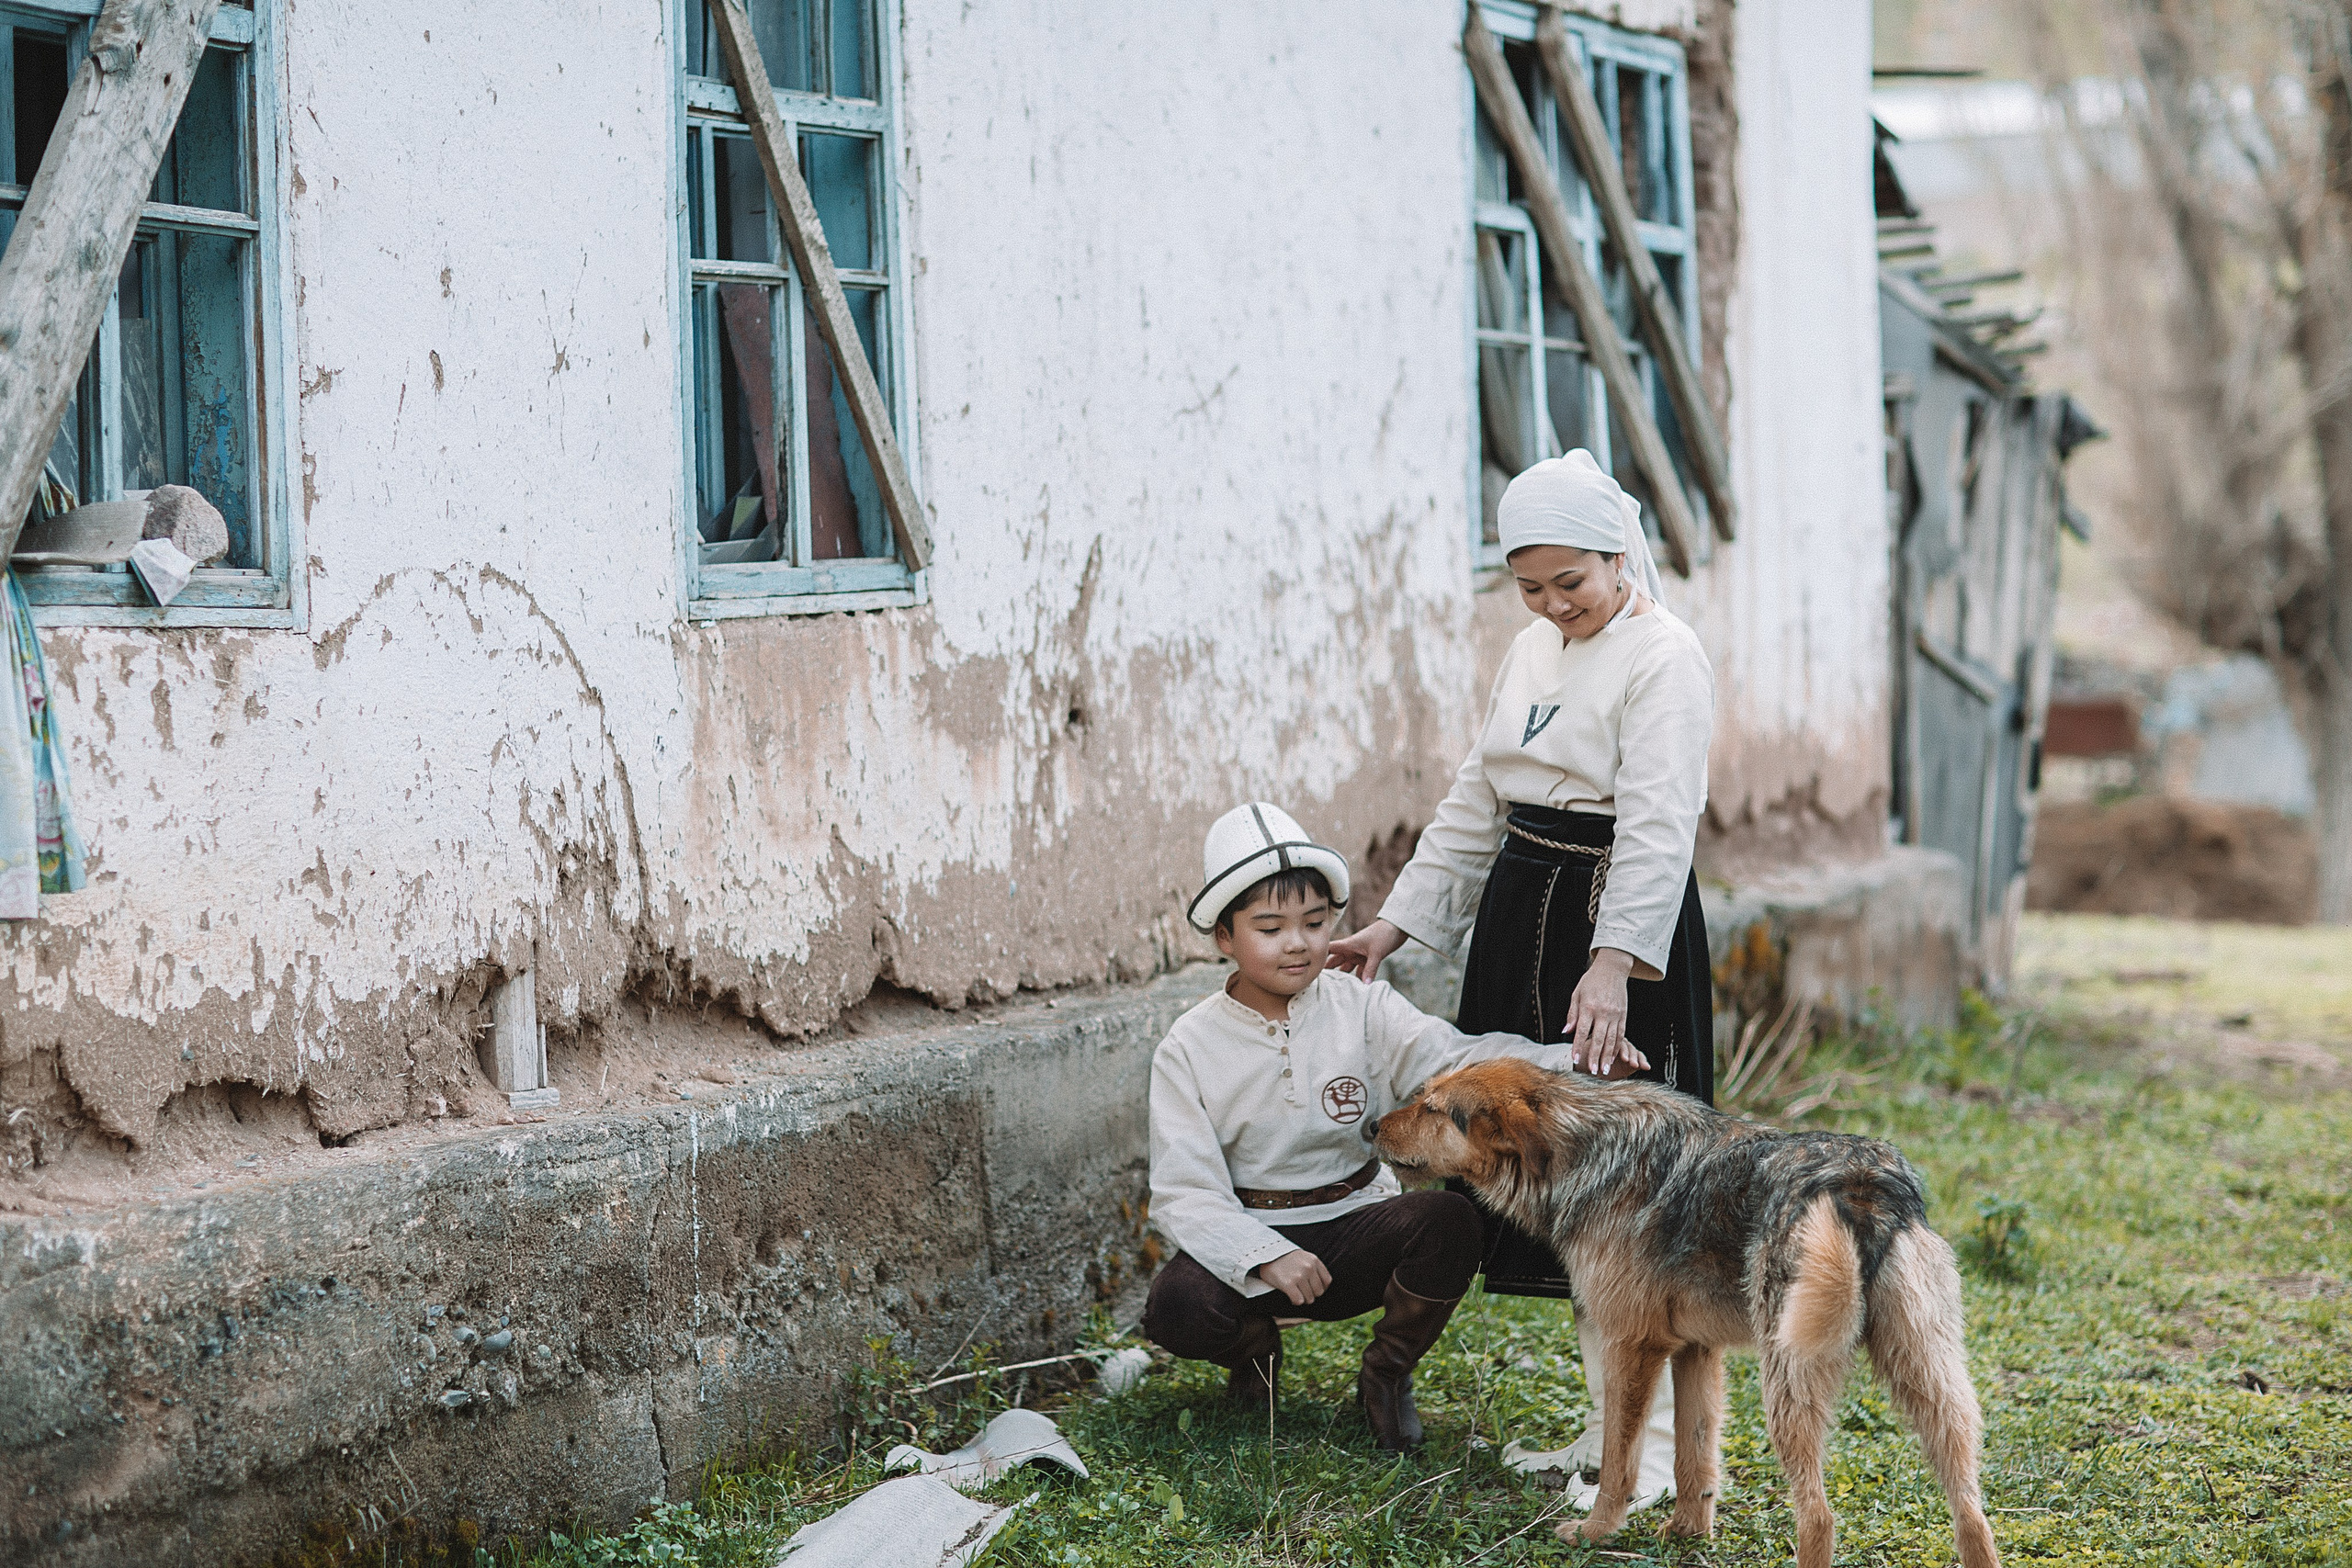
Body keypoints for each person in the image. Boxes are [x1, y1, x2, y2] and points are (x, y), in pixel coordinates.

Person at [1327, 450, 1717, 1502]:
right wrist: (1396, 926)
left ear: (1617, 554)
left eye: (1571, 584)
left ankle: (1647, 1465)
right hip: (1521, 911)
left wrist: (1614, 968)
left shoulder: (1663, 656)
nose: (1552, 605)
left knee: (1632, 1201)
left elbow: (1656, 825)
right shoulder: (1531, 652)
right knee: (1558, 1206)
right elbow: (1473, 799)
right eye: (1530, 586)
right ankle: (1605, 1446)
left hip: (1609, 921)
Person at [1140, 802, 1573, 1451]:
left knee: (1453, 1221)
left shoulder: (1361, 1004)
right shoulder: (1188, 1046)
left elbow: (1454, 1058)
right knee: (1175, 1305)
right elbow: (1184, 1190)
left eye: (1315, 922)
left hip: (1356, 1227)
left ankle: (1387, 1372)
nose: (1298, 941)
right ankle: (1253, 1353)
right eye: (1269, 926)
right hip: (1255, 1238)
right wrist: (1264, 1255)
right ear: (1225, 937)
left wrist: (1570, 1061)